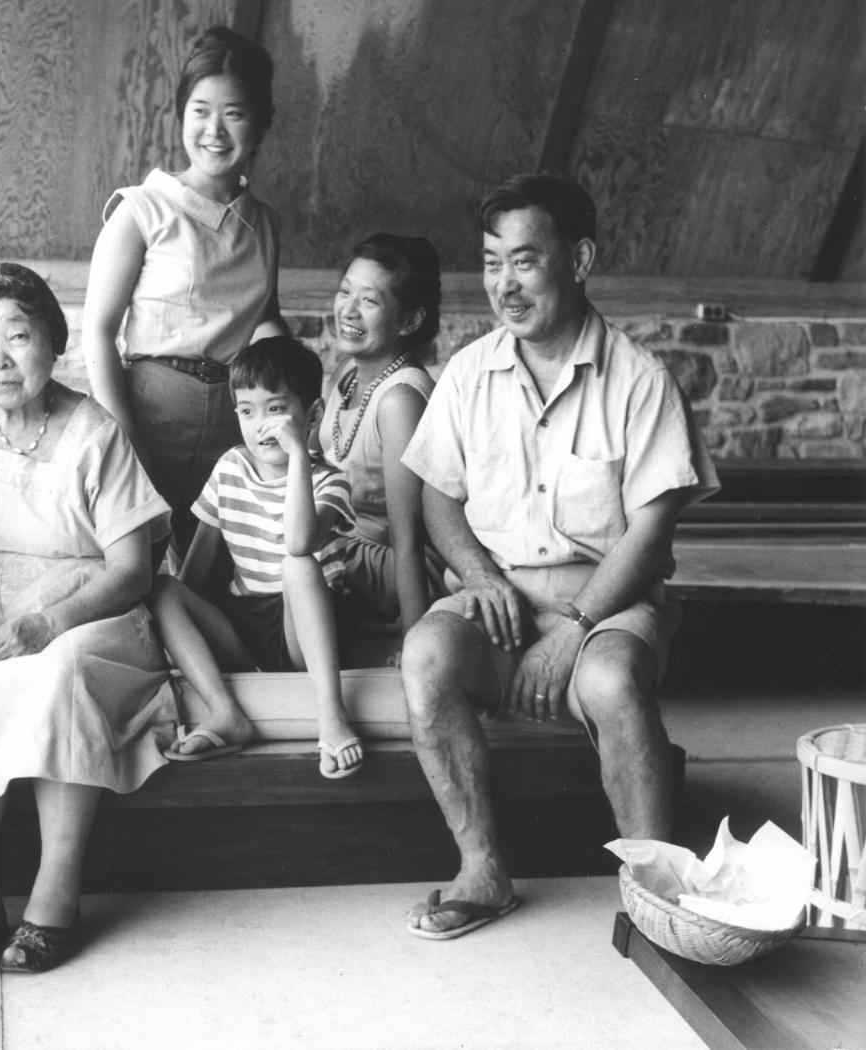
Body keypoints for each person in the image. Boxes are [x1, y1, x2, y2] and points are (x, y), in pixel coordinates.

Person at [399, 174, 718, 939]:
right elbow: (439, 497)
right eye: (490, 262)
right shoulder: (471, 372)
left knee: (609, 681)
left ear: (578, 259)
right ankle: (482, 869)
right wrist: (477, 577)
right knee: (427, 657)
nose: (504, 285)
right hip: (498, 604)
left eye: (525, 260)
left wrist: (574, 628)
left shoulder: (639, 380)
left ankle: (654, 888)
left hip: (607, 606)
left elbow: (650, 537)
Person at [0, 263, 177, 983]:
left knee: (57, 676)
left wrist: (46, 624)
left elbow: (132, 570)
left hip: (91, 608)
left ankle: (56, 896)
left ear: (52, 344)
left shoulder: (93, 433)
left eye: (18, 337)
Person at [82, 25, 287, 559]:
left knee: (216, 574)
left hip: (234, 423)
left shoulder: (264, 223)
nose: (214, 130)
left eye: (234, 113)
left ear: (261, 123)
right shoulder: (141, 209)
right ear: (181, 115)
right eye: (200, 110)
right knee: (145, 569)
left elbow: (265, 319)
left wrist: (295, 390)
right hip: (149, 417)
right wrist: (124, 439)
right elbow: (98, 332)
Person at [149, 337, 363, 777]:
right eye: (246, 411)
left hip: (307, 629)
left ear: (313, 415)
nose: (260, 425)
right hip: (247, 625)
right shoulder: (231, 467)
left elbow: (300, 542)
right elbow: (196, 570)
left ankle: (332, 717)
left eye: (275, 409)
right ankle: (226, 712)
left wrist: (299, 453)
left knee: (297, 565)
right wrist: (181, 634)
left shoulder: (330, 481)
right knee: (165, 588)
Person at [318, 233, 444, 641]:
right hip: (345, 553)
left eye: (369, 301)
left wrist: (414, 643)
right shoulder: (346, 374)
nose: (348, 311)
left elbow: (407, 539)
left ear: (410, 320)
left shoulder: (399, 401)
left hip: (391, 566)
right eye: (344, 292)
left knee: (297, 556)